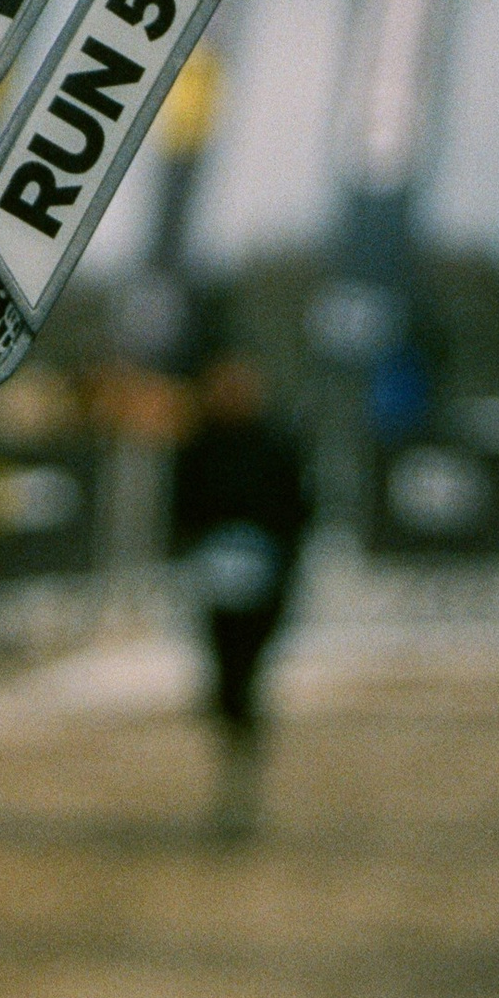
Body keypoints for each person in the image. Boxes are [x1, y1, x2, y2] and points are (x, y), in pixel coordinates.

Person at [169, 353, 312, 841]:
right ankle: (235, 760)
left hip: (264, 579)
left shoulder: (275, 445)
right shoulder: (201, 446)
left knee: (245, 673)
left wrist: (278, 564)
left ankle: (241, 774)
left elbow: (297, 510)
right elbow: (183, 509)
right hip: (216, 579)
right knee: (225, 676)